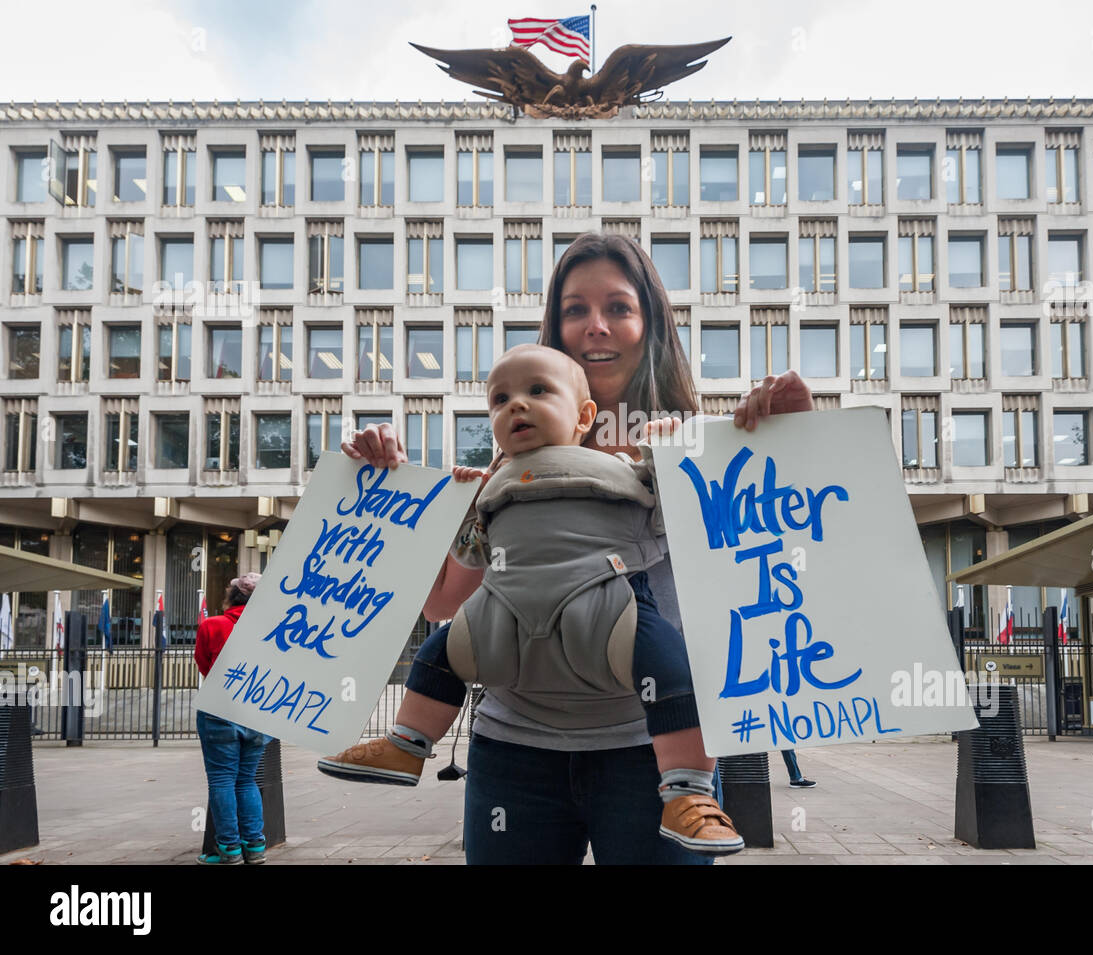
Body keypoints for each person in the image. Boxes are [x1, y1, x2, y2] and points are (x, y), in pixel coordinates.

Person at [320, 232, 814, 864]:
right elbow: (444, 604)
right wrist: (384, 503)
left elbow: (775, 568)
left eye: (619, 307)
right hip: (515, 752)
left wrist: (791, 442)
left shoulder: (700, 449)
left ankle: (689, 792)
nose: (596, 326)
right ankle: (406, 742)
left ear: (650, 322)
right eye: (575, 309)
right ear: (554, 329)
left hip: (655, 754)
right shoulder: (506, 473)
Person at [322, 343, 741, 853]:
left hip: (612, 621)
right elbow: (452, 578)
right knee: (439, 652)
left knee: (674, 674)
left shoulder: (632, 477)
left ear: (585, 415)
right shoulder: (492, 490)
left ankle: (687, 793)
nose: (516, 405)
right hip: (506, 656)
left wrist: (675, 456)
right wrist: (413, 494)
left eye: (537, 391)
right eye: (500, 400)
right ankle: (407, 743)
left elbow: (699, 508)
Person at [194, 573, 274, 865]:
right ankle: (254, 847)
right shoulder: (272, 629)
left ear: (232, 597)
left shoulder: (211, 625)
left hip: (220, 708)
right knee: (246, 779)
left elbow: (204, 665)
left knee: (221, 779)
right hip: (257, 711)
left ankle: (228, 850)